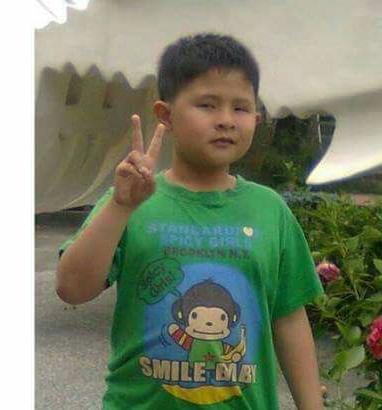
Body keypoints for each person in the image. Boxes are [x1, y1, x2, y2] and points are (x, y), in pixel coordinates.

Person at [57, 32, 325, 409]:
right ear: (166, 115)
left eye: (240, 108)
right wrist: (119, 206)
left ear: (256, 119)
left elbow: (289, 319)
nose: (226, 120)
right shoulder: (131, 200)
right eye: (207, 105)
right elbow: (72, 289)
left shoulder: (270, 209)